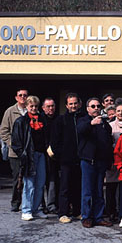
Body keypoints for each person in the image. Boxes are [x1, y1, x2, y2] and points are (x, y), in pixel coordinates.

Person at [77, 97, 113, 228]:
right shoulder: (83, 121)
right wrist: (91, 123)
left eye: (98, 106)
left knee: (99, 191)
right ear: (87, 109)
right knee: (87, 191)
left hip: (101, 162)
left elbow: (108, 143)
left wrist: (109, 161)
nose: (96, 108)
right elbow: (80, 130)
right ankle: (86, 217)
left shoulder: (104, 124)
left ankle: (98, 217)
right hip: (88, 161)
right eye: (93, 106)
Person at [11, 96, 48, 221]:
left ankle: (36, 209)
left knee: (40, 183)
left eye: (36, 106)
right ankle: (26, 210)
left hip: (41, 155)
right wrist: (23, 155)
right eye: (31, 106)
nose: (33, 108)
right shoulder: (21, 121)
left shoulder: (42, 120)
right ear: (26, 106)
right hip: (29, 156)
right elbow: (15, 142)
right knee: (29, 185)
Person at [51, 93, 83, 224]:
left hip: (80, 159)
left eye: (75, 103)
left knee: (77, 186)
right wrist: (61, 155)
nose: (73, 106)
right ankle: (63, 213)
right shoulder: (60, 120)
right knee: (64, 187)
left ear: (79, 104)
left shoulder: (83, 118)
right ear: (66, 105)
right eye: (71, 103)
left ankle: (77, 211)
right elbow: (55, 142)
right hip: (65, 160)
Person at [0, 88, 28, 212]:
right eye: (20, 95)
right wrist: (14, 145)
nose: (23, 97)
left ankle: (30, 203)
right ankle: (15, 203)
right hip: (15, 153)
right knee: (17, 178)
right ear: (16, 97)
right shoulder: (10, 111)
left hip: (29, 152)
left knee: (30, 179)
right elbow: (4, 131)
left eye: (25, 95)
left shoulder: (31, 110)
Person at [107, 103, 122, 222]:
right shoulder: (110, 126)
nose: (120, 113)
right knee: (111, 188)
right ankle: (111, 212)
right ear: (115, 113)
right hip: (113, 160)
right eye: (118, 111)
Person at [41, 97, 59, 214]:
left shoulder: (59, 119)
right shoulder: (39, 120)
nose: (51, 108)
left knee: (53, 182)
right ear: (43, 108)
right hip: (41, 155)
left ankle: (52, 205)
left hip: (54, 157)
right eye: (48, 106)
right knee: (40, 182)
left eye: (52, 106)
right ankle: (41, 205)